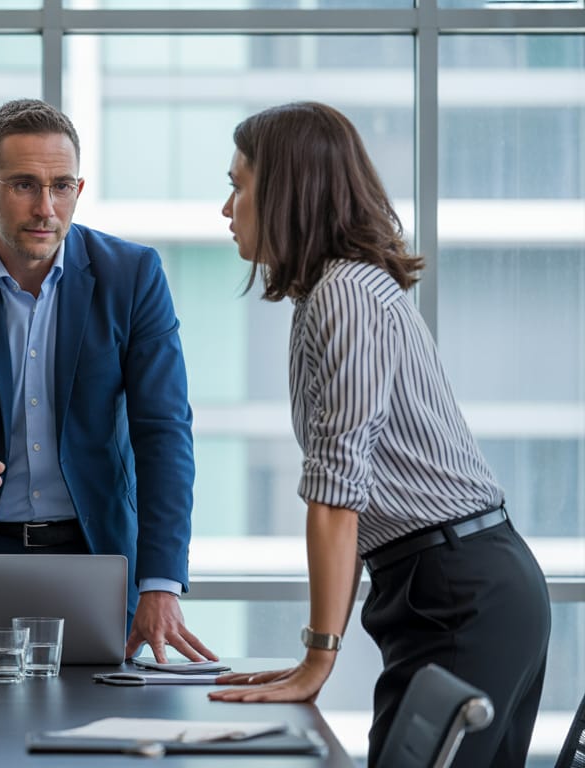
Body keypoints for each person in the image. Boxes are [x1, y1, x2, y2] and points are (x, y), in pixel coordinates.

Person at [208, 101, 550, 768]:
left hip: (459, 587)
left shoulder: (346, 294)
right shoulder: (326, 294)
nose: (227, 209)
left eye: (237, 185)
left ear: (286, 189)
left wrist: (315, 660)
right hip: (444, 580)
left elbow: (336, 491)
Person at [0, 98, 216, 663]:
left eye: (62, 186)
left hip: (97, 554)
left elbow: (163, 432)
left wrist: (160, 581)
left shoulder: (132, 276)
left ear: (79, 190)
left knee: (99, 730)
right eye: (23, 185)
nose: (46, 208)